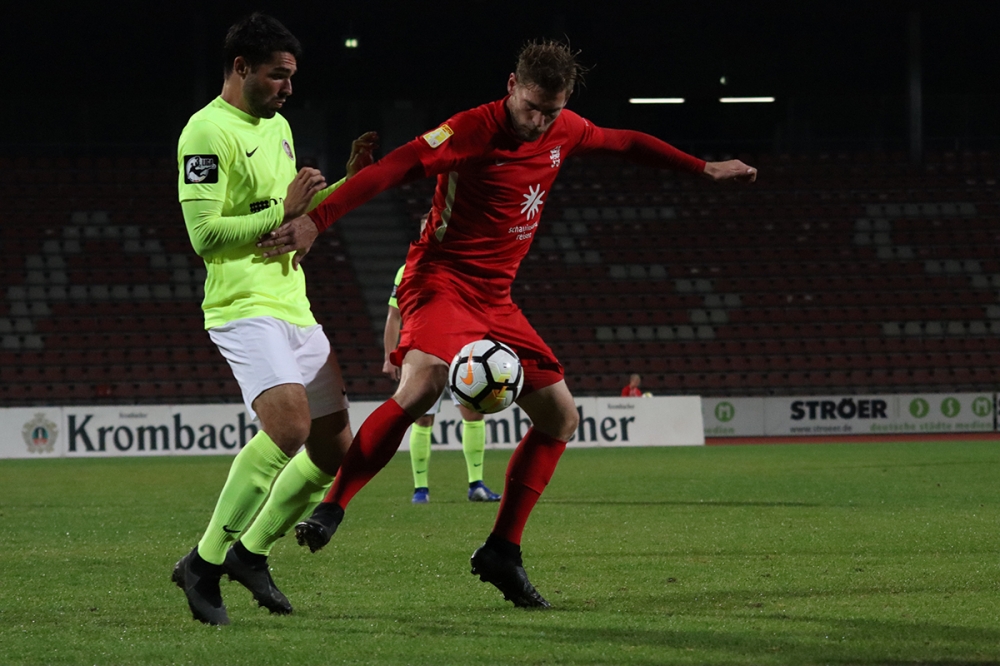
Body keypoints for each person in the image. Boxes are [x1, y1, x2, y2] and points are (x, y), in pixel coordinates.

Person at [261, 39, 756, 609]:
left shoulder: (565, 129)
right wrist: (318, 220)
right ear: (512, 86)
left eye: (552, 111)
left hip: (496, 298)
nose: (540, 121)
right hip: (441, 280)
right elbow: (394, 169)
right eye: (532, 108)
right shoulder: (470, 129)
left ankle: (502, 550)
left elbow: (625, 141)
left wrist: (703, 168)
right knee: (423, 384)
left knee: (561, 417)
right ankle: (333, 506)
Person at [171, 12, 376, 625]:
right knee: (287, 426)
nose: (288, 88)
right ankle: (204, 563)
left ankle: (251, 552)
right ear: (241, 68)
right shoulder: (206, 131)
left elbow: (292, 219)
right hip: (242, 305)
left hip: (293, 304)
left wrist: (346, 185)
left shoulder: (279, 127)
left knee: (334, 450)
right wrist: (280, 210)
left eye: (291, 76)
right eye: (277, 75)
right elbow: (204, 234)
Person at [384, 261, 501, 504]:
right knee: (423, 418)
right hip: (425, 351)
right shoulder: (407, 269)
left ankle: (476, 485)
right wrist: (389, 356)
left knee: (474, 414)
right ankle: (420, 489)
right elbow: (394, 315)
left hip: (462, 351)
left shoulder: (463, 264)